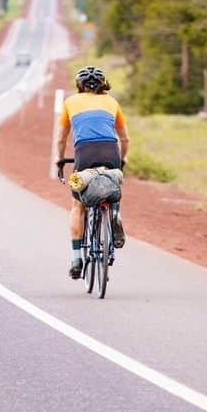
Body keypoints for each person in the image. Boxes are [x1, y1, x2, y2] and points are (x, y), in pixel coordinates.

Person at [55, 65, 130, 279]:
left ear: (79, 85)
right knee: (111, 186)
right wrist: (123, 158)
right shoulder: (112, 102)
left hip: (84, 155)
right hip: (110, 151)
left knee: (78, 205)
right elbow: (125, 138)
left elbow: (61, 138)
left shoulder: (70, 102)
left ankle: (77, 258)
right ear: (103, 84)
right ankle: (114, 214)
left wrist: (59, 159)